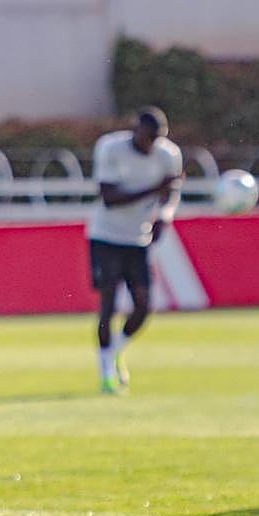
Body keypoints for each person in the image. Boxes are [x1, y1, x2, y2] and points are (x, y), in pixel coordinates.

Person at [87, 107, 181, 393]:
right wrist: (155, 189)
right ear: (136, 131)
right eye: (148, 137)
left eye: (157, 138)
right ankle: (106, 372)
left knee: (143, 305)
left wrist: (164, 215)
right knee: (108, 304)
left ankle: (116, 349)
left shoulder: (168, 154)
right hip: (105, 236)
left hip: (137, 238)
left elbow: (171, 194)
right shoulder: (110, 148)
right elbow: (109, 197)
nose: (152, 143)